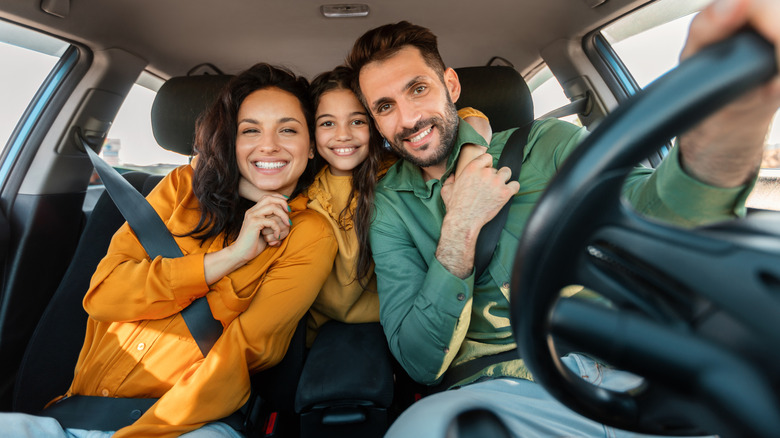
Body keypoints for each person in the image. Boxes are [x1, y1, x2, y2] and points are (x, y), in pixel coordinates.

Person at [344, 0, 780, 435]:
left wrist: (722, 125)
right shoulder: (390, 206)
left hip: (634, 367)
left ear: (451, 86)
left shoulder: (549, 143)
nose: (408, 119)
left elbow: (661, 217)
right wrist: (460, 226)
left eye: (418, 89)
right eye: (384, 107)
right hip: (504, 396)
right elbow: (418, 362)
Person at [0, 63, 337, 437]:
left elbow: (241, 356)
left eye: (288, 130)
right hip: (75, 413)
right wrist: (233, 256)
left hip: (189, 425)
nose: (269, 145)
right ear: (231, 141)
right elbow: (103, 296)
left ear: (311, 149)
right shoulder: (180, 188)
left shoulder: (309, 233)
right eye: (250, 130)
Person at [303, 65, 492, 345]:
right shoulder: (307, 196)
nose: (343, 135)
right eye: (327, 123)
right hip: (328, 334)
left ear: (377, 126)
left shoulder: (401, 173)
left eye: (357, 121)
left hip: (412, 320)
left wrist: (471, 152)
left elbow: (468, 118)